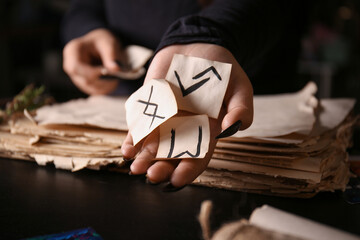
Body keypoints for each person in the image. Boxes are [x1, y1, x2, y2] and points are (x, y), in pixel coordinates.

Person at [62, 0, 308, 189]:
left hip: (244, 90)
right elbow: (83, 6)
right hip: (123, 103)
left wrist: (206, 33)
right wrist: (87, 31)